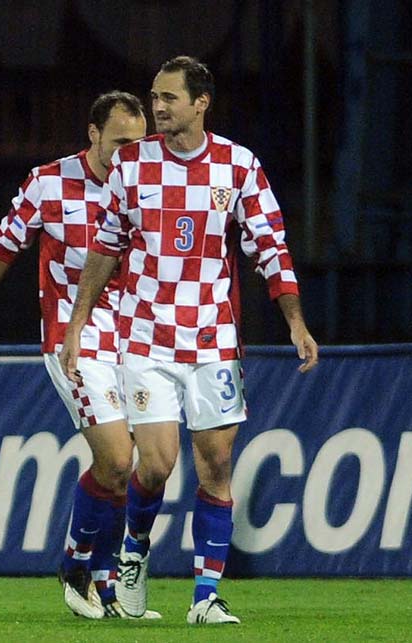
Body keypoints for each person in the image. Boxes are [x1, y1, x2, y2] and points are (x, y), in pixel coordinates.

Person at [61, 56, 319, 625]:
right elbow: (104, 247)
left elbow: (270, 248)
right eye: (154, 97)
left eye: (169, 98)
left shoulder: (237, 165)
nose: (157, 106)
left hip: (213, 341)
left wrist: (295, 322)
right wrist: (78, 324)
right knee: (153, 466)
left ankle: (205, 596)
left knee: (217, 465)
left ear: (201, 102)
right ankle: (135, 551)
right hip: (147, 339)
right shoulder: (132, 163)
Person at [0, 91, 159, 620]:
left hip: (138, 335)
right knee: (117, 457)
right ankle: (76, 565)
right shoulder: (49, 181)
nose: (131, 155)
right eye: (121, 143)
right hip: (76, 336)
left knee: (126, 468)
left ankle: (104, 584)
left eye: (139, 145)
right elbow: (4, 247)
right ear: (92, 135)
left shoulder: (151, 182)